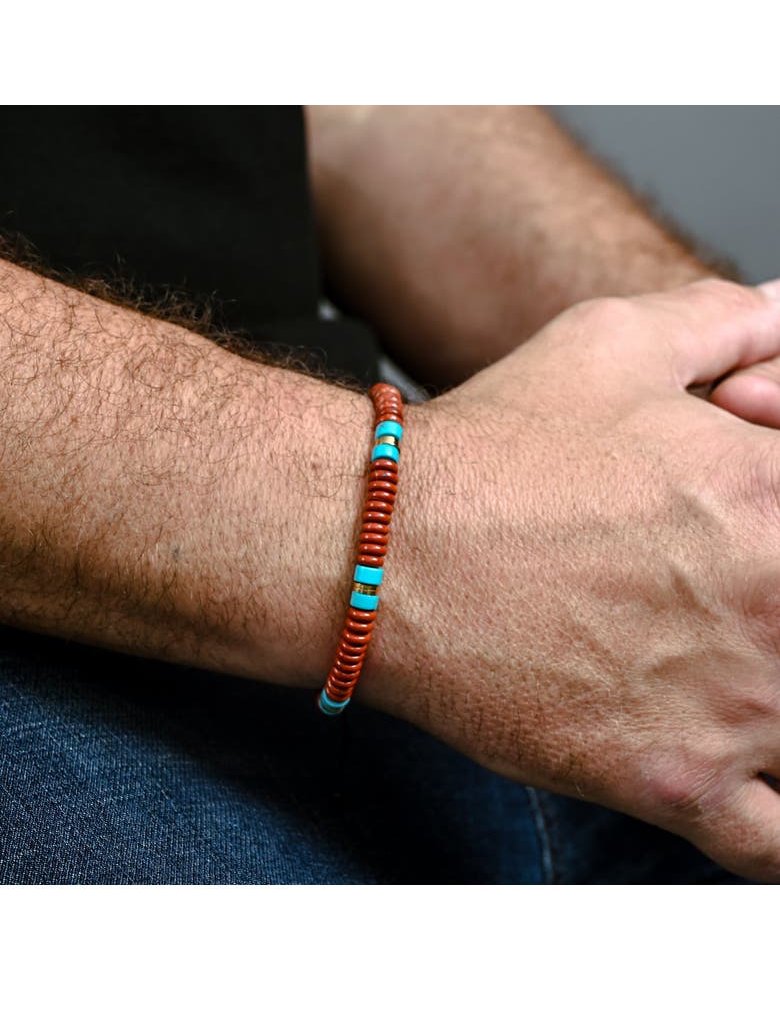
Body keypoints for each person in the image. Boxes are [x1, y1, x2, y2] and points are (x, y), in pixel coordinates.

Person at [1, 105, 779, 884]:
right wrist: (419, 533)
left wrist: (730, 390)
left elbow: (356, 111)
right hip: (62, 687)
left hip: (573, 659)